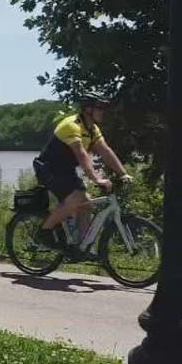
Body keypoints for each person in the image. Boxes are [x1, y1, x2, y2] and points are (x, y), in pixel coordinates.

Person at [33, 91, 133, 249]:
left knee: (86, 204)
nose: (103, 111)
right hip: (48, 168)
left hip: (65, 170)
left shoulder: (93, 129)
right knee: (77, 196)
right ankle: (44, 232)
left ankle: (83, 246)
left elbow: (106, 151)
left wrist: (123, 173)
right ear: (88, 109)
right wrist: (97, 179)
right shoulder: (71, 125)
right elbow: (81, 154)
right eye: (99, 108)